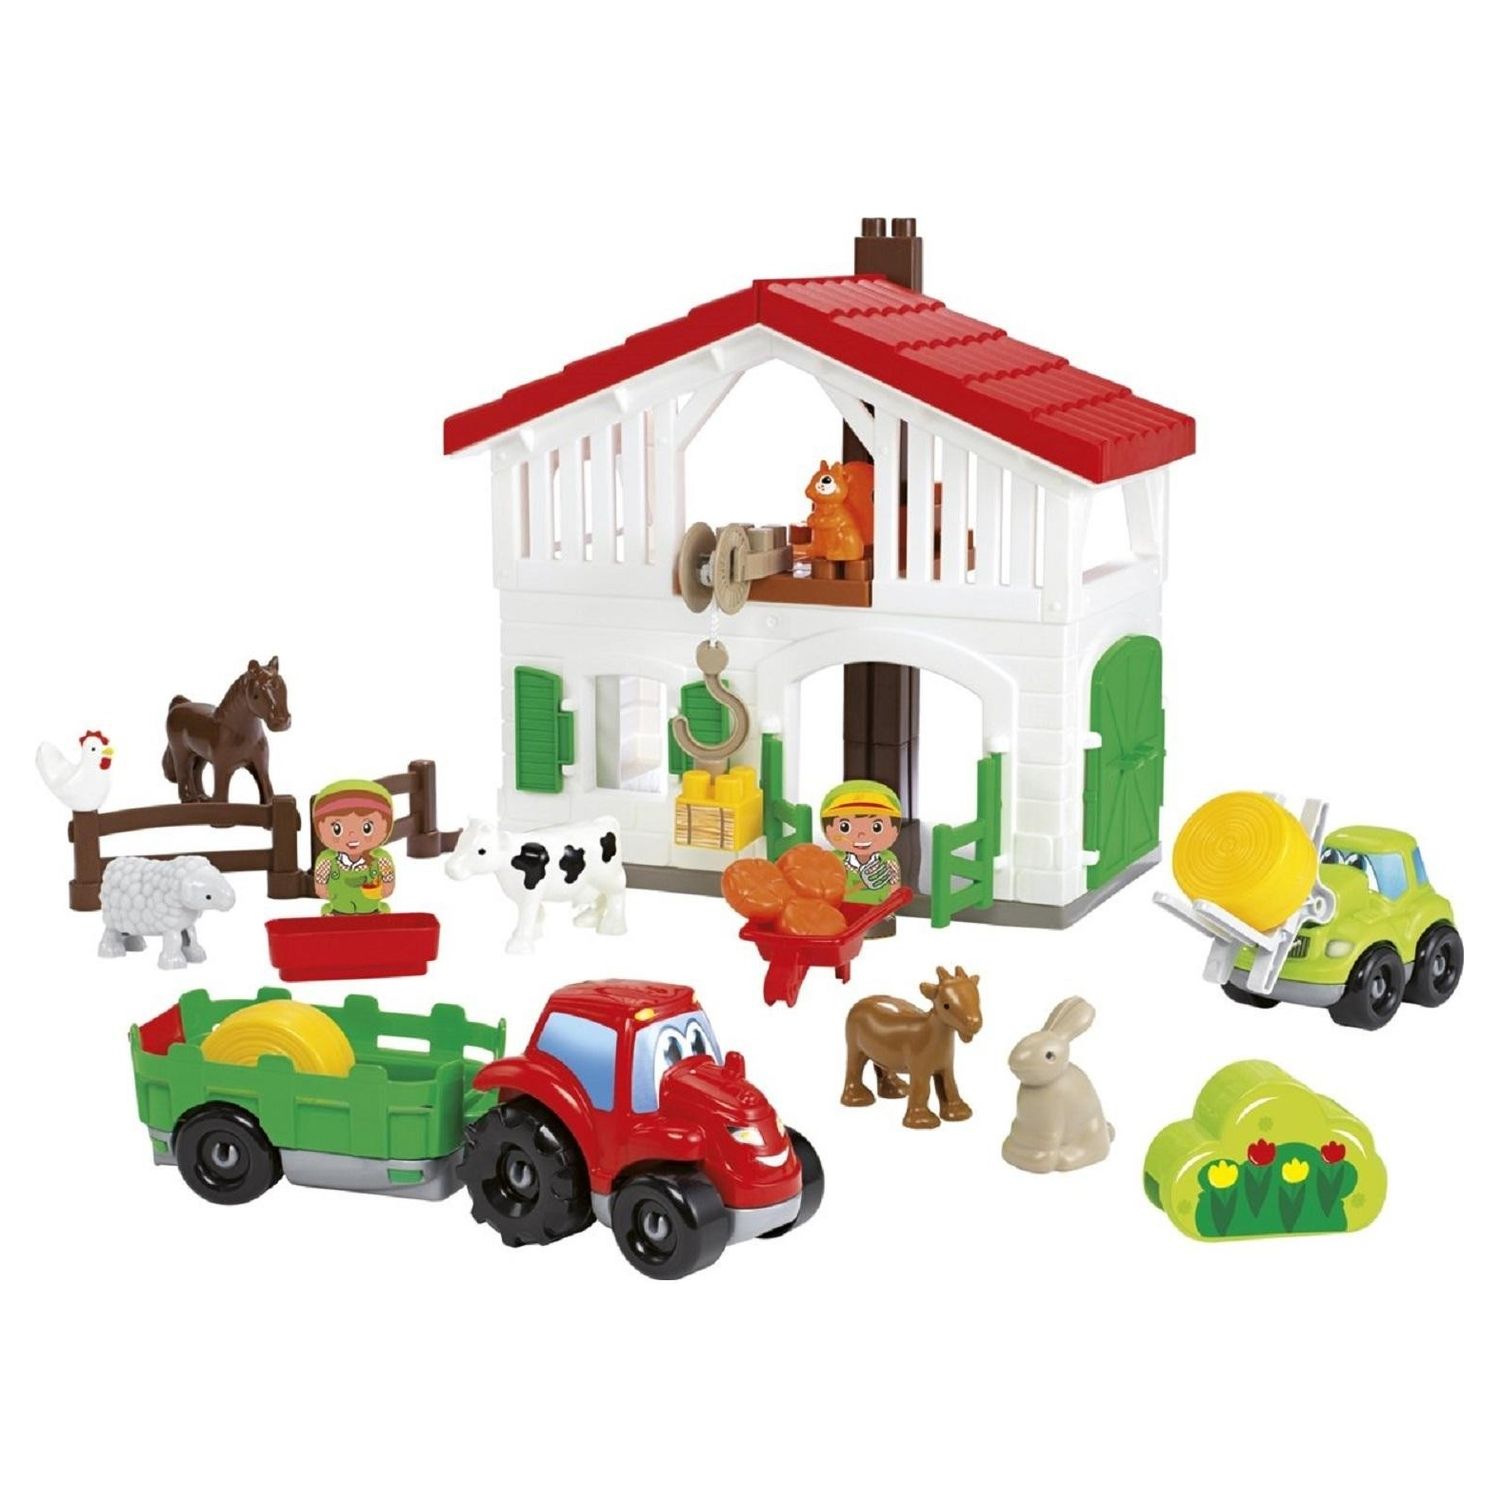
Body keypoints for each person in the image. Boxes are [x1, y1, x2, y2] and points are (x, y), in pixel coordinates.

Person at [311, 779, 396, 915]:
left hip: (373, 913)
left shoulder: (381, 860)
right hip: (338, 913)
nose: (352, 836)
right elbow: (322, 890)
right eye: (337, 829)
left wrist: (380, 889)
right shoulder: (327, 862)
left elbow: (387, 888)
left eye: (366, 828)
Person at [821, 778, 903, 910]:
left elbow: (894, 890)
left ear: (895, 829)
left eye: (877, 827)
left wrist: (888, 910)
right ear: (827, 829)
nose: (861, 835)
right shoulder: (834, 860)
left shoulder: (889, 860)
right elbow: (830, 895)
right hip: (843, 914)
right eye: (845, 827)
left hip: (879, 914)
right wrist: (862, 884)